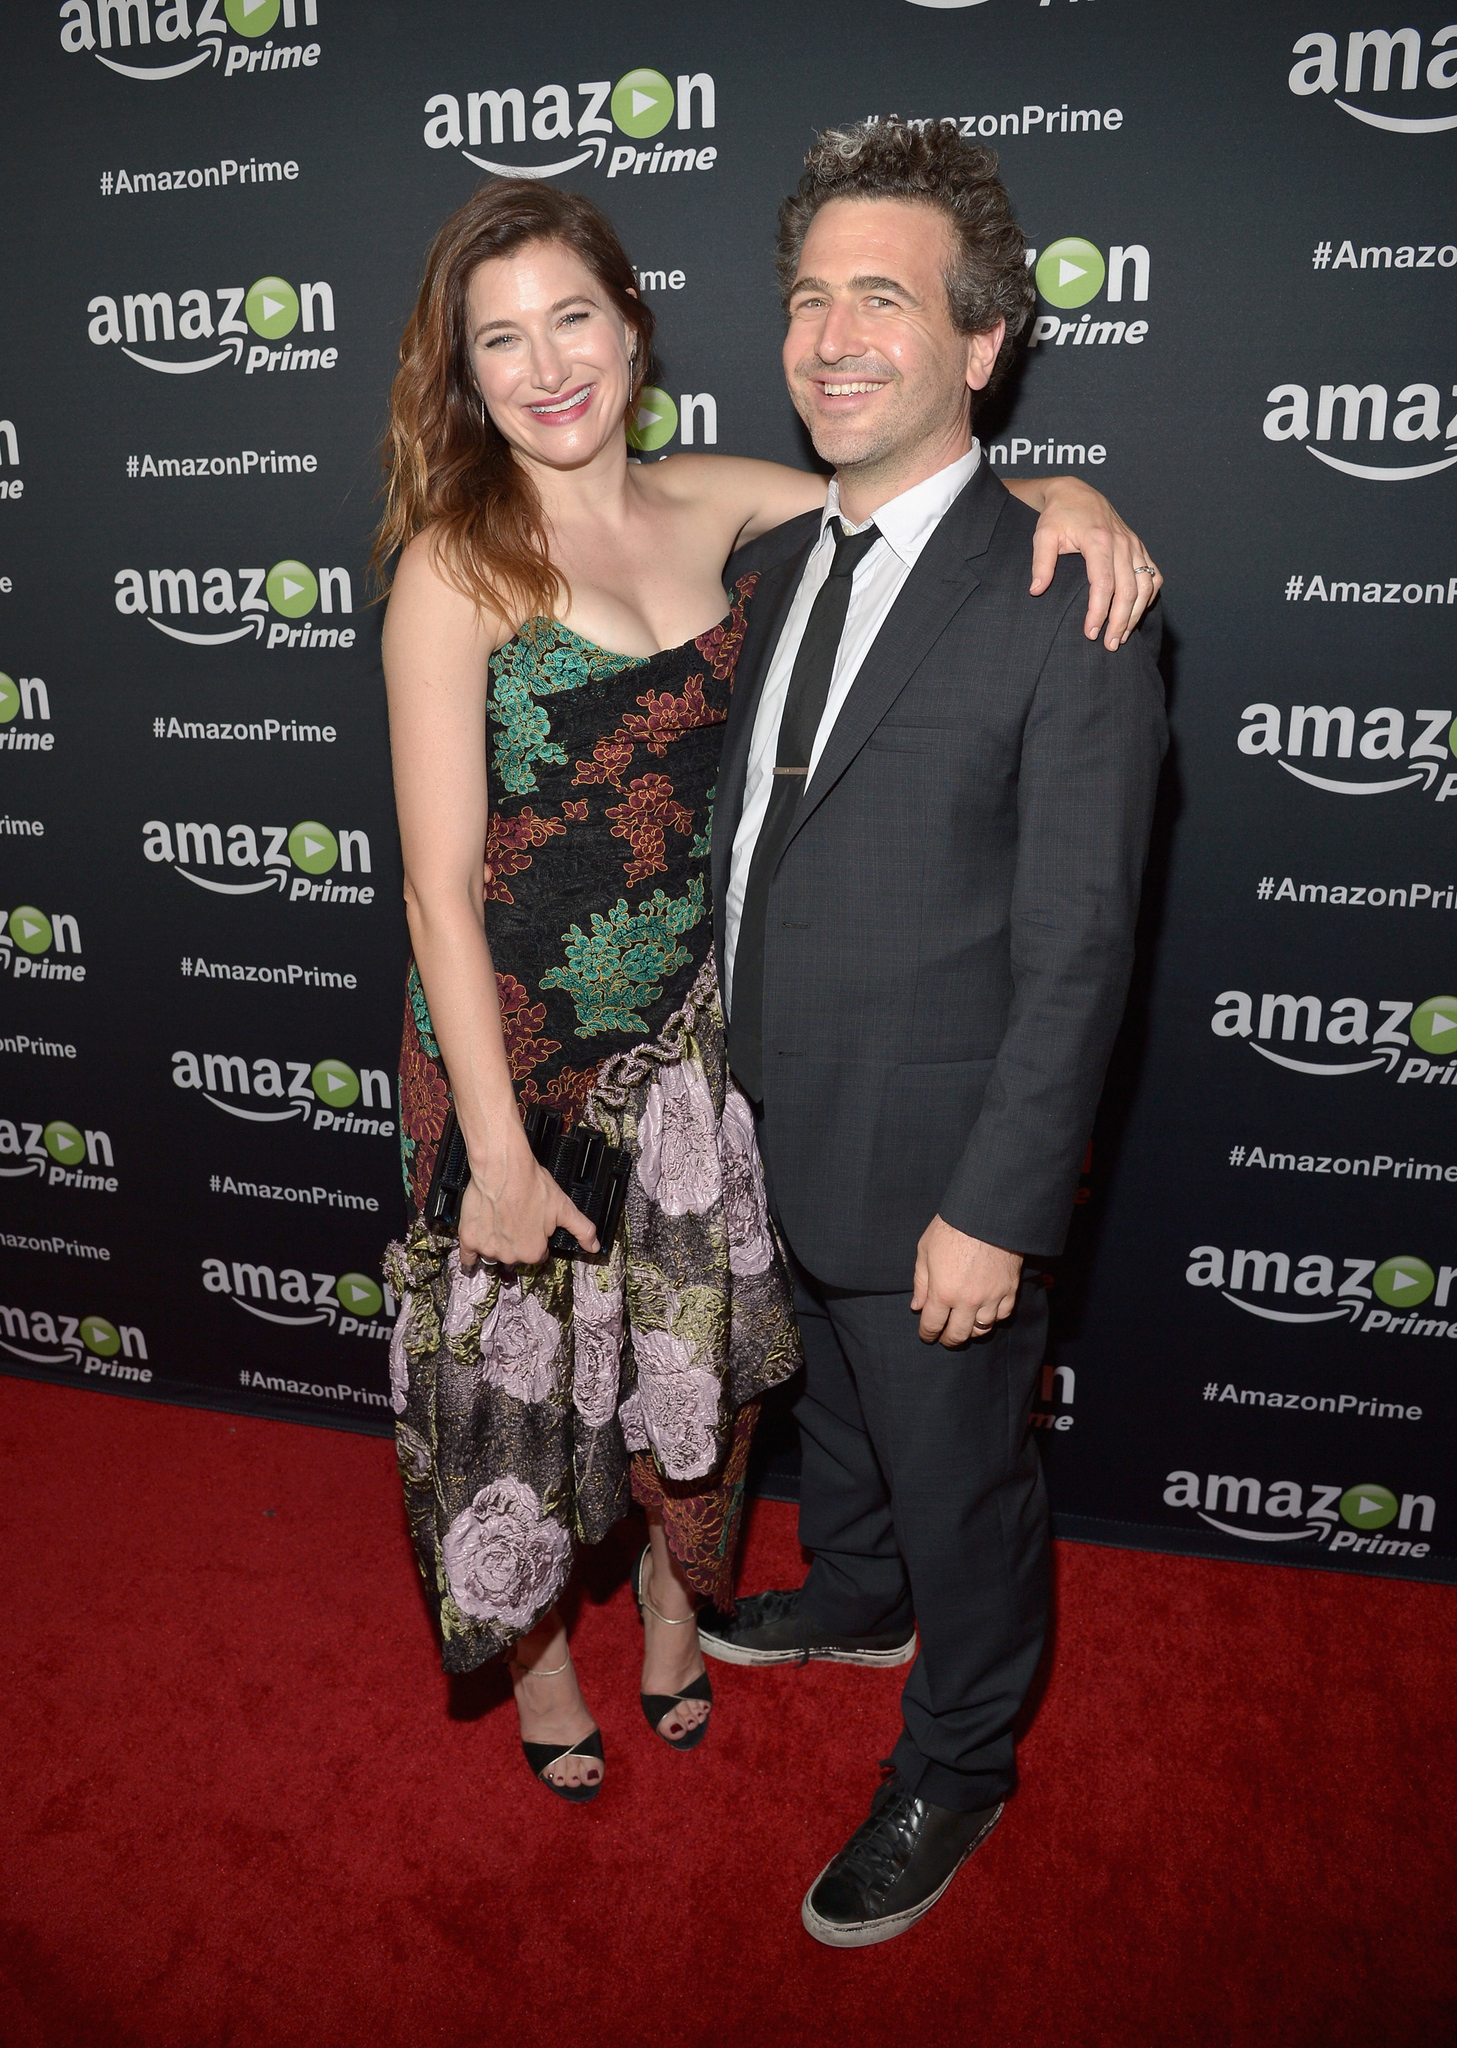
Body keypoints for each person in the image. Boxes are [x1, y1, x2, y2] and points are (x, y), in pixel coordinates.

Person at [375, 178, 1162, 1801]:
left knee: (688, 1388)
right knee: (518, 1404)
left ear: (634, 328)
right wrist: (501, 1155)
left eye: (571, 319)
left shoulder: (737, 506)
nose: (544, 368)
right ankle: (539, 1679)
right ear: (462, 375)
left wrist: (1072, 493)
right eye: (498, 340)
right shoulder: (453, 564)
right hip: (513, 1066)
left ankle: (687, 1628)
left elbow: (917, 493)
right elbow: (435, 888)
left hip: (693, 1065)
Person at [696, 121, 1167, 1942]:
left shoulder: (1068, 592)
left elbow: (1081, 946)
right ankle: (855, 1592)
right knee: (851, 1433)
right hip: (775, 1121)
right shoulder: (771, 557)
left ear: (982, 345)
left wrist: (999, 1205)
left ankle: (959, 1757)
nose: (828, 337)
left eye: (878, 300)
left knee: (968, 1482)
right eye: (808, 298)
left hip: (942, 1168)